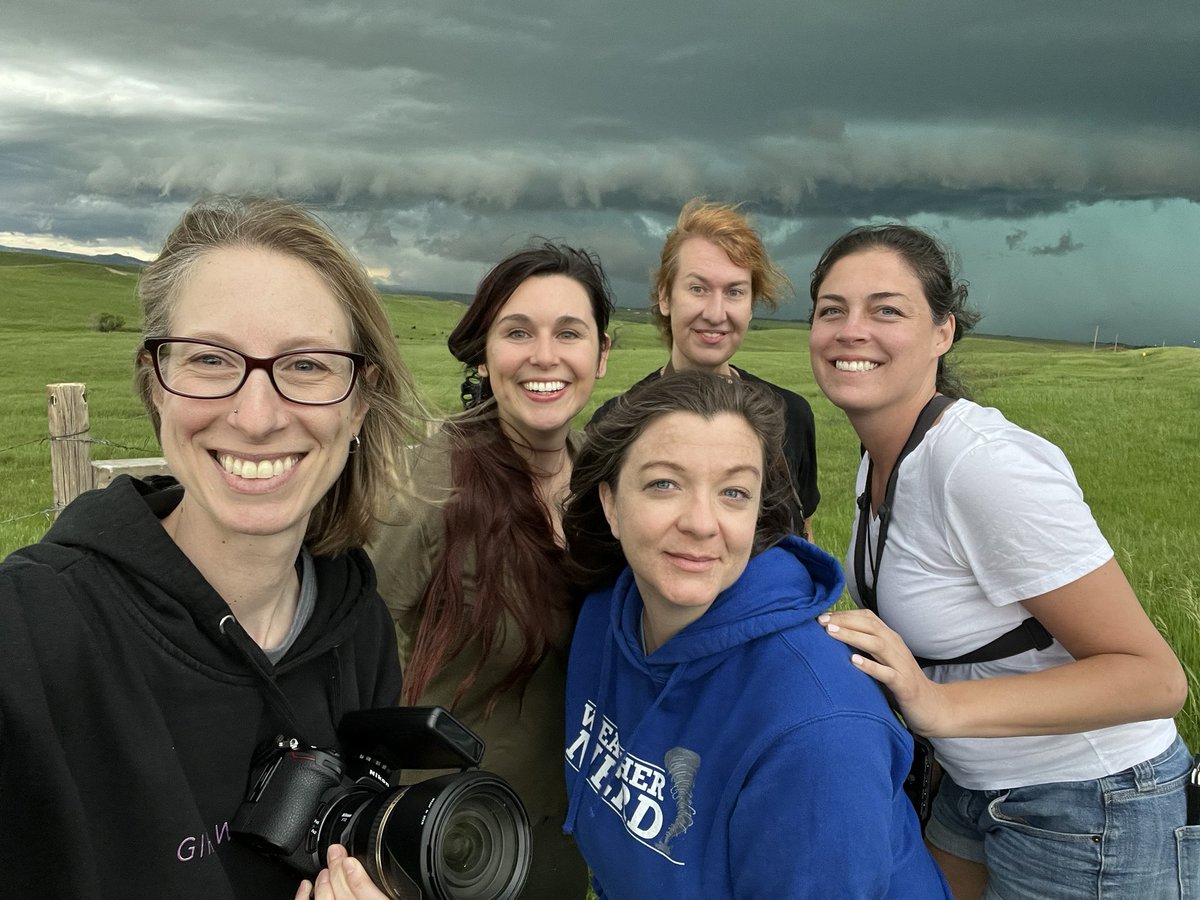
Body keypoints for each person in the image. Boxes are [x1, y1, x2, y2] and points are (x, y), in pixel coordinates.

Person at [0, 196, 422, 900]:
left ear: (359, 402)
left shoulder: (360, 630)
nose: (256, 416)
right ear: (154, 384)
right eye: (208, 358)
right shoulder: (29, 635)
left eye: (309, 366)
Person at [809, 224, 1193, 899]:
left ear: (942, 333)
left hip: (1094, 804)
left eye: (886, 309)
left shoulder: (981, 465)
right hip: (975, 785)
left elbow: (1154, 681)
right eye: (831, 309)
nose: (851, 329)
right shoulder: (882, 457)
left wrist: (934, 704)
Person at [560, 370, 951, 899]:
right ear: (610, 504)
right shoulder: (605, 617)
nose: (702, 522)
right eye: (664, 484)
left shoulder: (819, 731)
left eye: (734, 492)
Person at [368, 242, 613, 898]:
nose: (545, 355)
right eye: (517, 332)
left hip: (562, 838)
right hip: (448, 846)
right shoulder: (431, 483)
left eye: (569, 332)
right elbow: (357, 662)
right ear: (483, 352)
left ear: (602, 353)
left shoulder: (603, 484)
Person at [590, 198, 819, 536]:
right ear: (665, 297)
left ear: (751, 305)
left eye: (734, 292)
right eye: (698, 288)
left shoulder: (791, 416)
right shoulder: (615, 422)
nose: (715, 312)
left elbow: (803, 535)